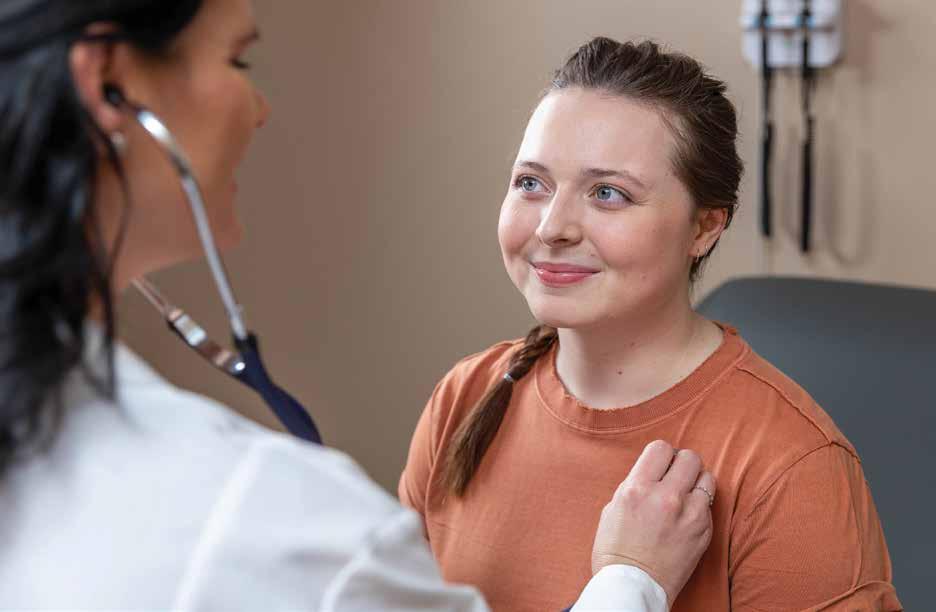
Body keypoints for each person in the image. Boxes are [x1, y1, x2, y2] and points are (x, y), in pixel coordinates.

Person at [0, 2, 715, 609]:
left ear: (705, 227)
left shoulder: (762, 448)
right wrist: (631, 581)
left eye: (609, 192)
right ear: (111, 82)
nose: (260, 107)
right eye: (236, 61)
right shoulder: (258, 513)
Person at [399, 37, 903, 611]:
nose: (552, 227)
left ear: (704, 228)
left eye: (608, 193)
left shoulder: (791, 466)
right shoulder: (463, 398)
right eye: (531, 183)